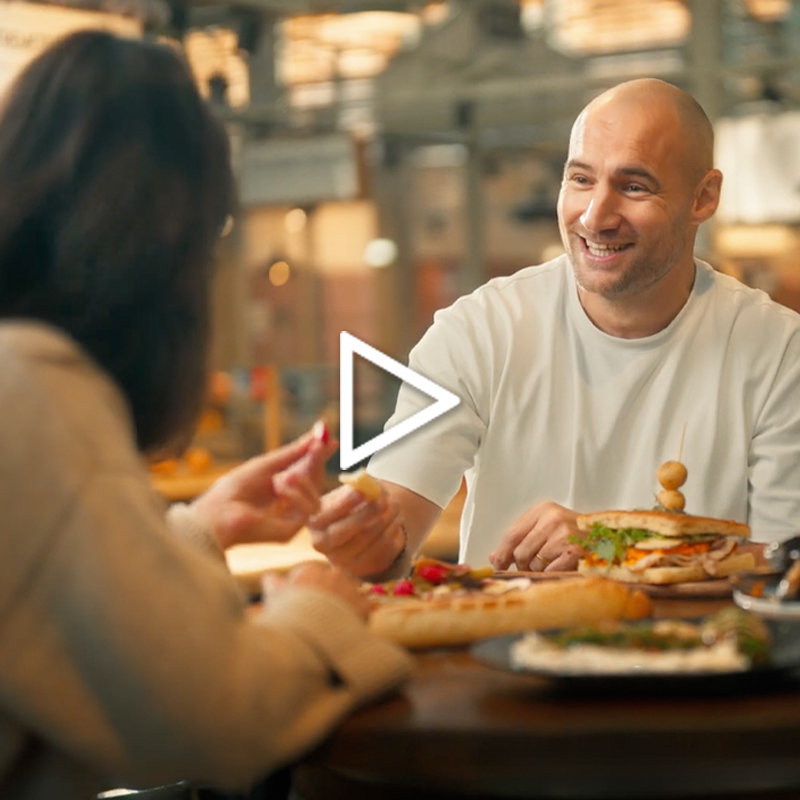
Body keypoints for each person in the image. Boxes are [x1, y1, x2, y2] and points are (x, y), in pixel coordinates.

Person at [0, 30, 411, 800]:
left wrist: (200, 528)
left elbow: (60, 606)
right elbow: (218, 715)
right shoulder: (31, 389)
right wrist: (321, 612)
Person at [309, 78, 800, 577]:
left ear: (703, 197)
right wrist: (358, 536)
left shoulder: (779, 352)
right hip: (498, 649)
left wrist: (612, 545)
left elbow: (790, 560)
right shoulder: (477, 333)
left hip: (705, 648)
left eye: (633, 186)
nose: (594, 216)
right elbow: (394, 526)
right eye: (581, 180)